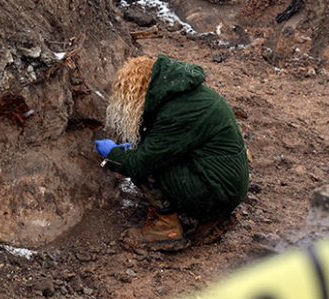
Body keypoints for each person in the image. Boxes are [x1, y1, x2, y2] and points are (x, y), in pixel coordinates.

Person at [95, 54, 249, 251]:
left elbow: (140, 163)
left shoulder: (178, 112)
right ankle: (213, 218)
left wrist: (113, 155)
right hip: (226, 184)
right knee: (148, 154)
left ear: (141, 90)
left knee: (145, 167)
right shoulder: (185, 95)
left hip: (218, 191)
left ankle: (166, 227)